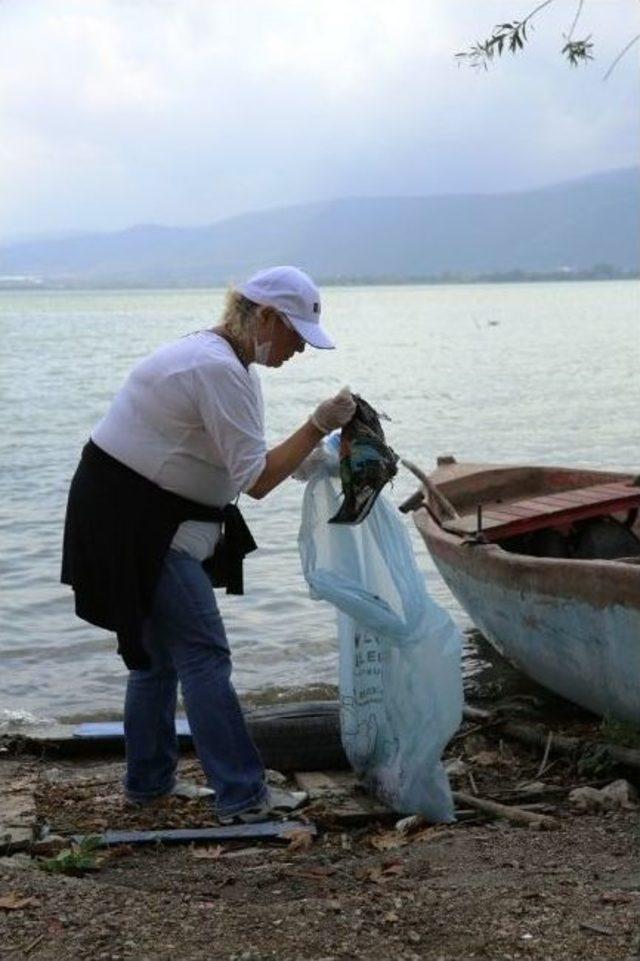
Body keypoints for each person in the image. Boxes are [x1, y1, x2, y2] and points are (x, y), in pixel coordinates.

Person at [61, 265, 356, 823]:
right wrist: (317, 424)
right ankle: (242, 798)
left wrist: (322, 452)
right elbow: (259, 481)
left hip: (127, 511)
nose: (300, 351)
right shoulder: (215, 368)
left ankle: (149, 786)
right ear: (265, 317)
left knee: (156, 661)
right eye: (296, 335)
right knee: (203, 654)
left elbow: (240, 458)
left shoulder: (220, 359)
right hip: (136, 522)